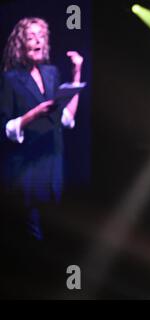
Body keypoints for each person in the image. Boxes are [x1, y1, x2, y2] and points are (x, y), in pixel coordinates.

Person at [0, 17, 83, 297]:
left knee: (54, 234)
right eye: (30, 36)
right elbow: (6, 128)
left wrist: (76, 75)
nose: (36, 41)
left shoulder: (51, 73)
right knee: (32, 237)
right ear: (20, 44)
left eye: (40, 36)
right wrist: (33, 114)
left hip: (53, 165)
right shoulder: (9, 78)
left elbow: (68, 119)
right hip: (26, 170)